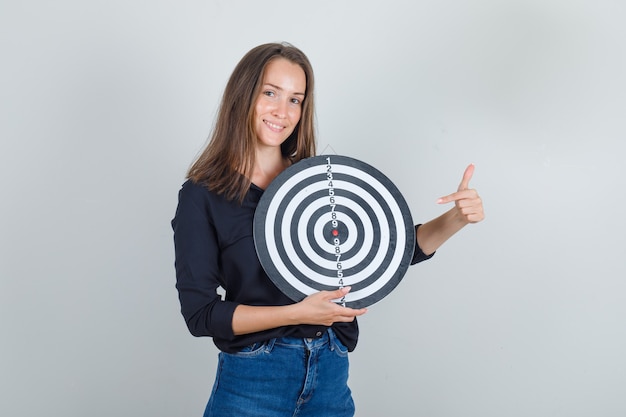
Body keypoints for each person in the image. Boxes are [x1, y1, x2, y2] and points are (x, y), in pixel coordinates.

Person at [172, 42, 484, 417]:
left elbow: (388, 252)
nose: (282, 111)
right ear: (243, 96)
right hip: (254, 379)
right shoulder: (202, 195)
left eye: (295, 100)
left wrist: (455, 220)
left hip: (330, 373)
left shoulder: (319, 180)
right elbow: (201, 313)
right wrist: (296, 313)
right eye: (270, 93)